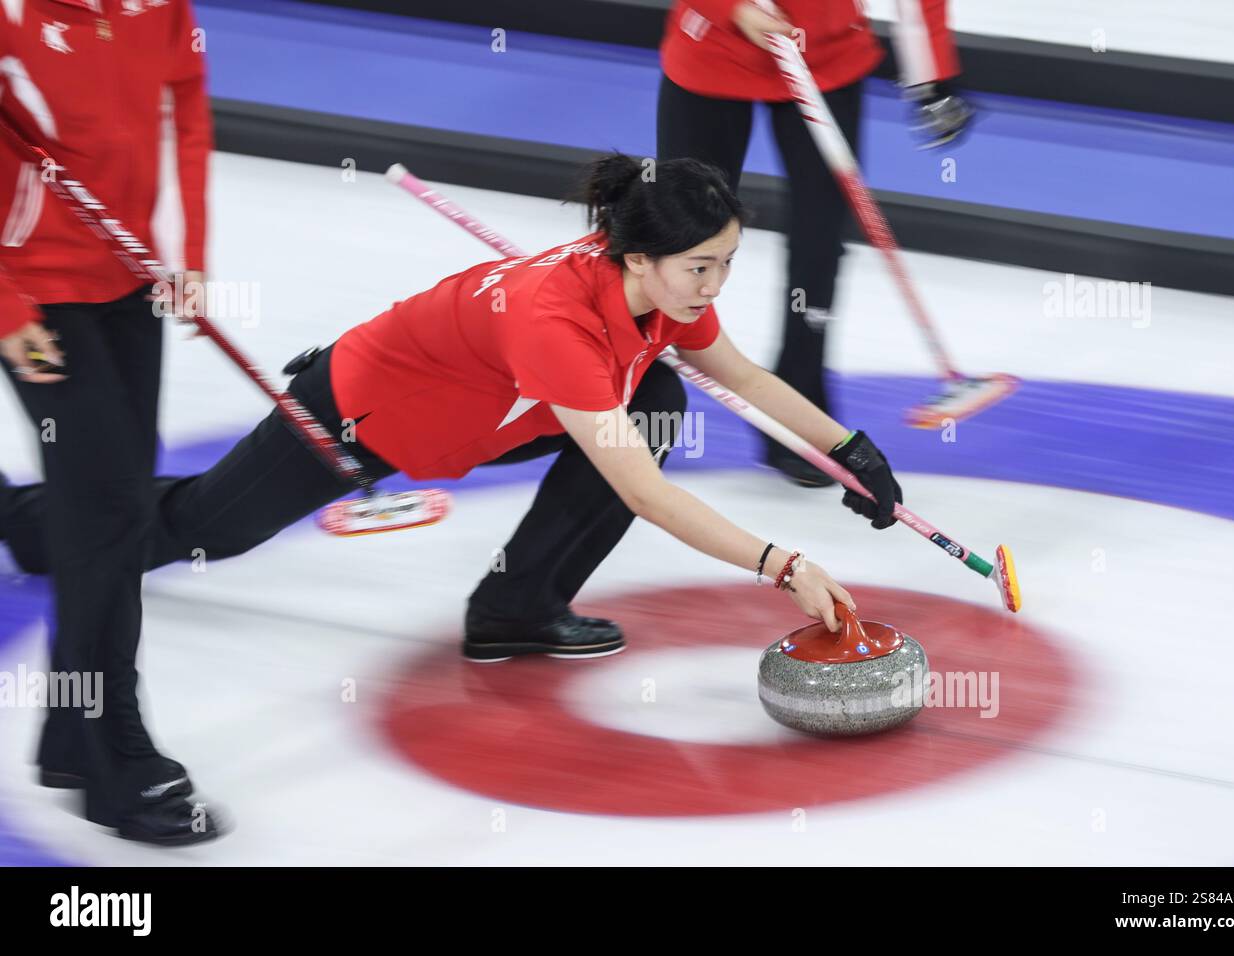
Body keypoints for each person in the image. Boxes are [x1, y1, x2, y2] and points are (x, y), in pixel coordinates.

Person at [2, 155, 904, 669]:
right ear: (636, 259)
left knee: (659, 394)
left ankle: (516, 606)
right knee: (207, 529)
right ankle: (35, 521)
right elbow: (644, 491)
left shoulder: (666, 294)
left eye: (726, 264)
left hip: (483, 417)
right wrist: (784, 565)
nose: (714, 286)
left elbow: (742, 376)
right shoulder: (558, 323)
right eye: (701, 266)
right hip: (363, 412)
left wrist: (848, 449)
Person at [0, 0, 217, 844]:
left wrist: (190, 251)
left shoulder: (162, 6)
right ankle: (110, 756)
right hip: (37, 294)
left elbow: (188, 106)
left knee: (113, 506)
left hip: (127, 277)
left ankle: (69, 734)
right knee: (106, 515)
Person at [657, 0, 970, 485]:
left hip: (825, 57)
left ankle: (799, 416)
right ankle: (630, 393)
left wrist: (934, 78)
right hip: (713, 51)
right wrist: (733, 10)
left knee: (820, 240)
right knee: (679, 235)